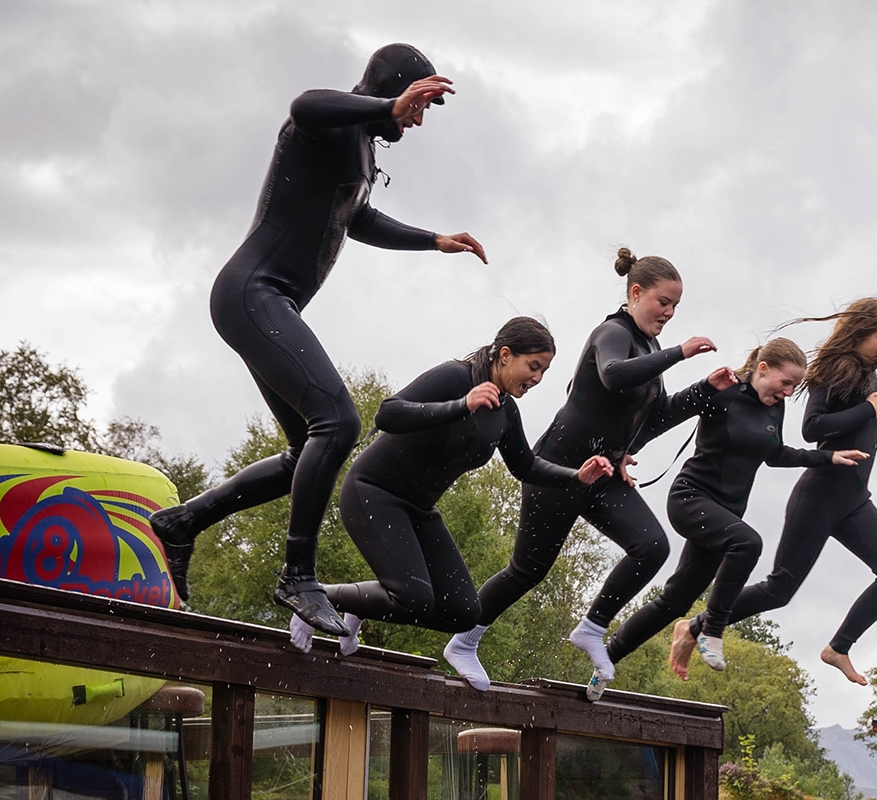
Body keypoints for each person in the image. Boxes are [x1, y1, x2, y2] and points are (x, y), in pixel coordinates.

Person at [148, 44, 487, 636]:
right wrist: (388, 104)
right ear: (394, 89)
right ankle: (297, 576)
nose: (417, 120)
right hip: (253, 293)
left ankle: (182, 523)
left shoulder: (361, 146)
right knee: (340, 422)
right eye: (418, 105)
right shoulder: (328, 123)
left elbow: (357, 219)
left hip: (269, 303)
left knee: (304, 449)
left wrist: (434, 240)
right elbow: (304, 104)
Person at [445, 248, 733, 695]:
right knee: (527, 570)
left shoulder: (651, 349)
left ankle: (593, 628)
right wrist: (680, 353)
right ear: (635, 293)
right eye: (663, 302)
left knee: (651, 547)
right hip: (557, 467)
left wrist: (702, 390)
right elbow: (614, 375)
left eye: (676, 306)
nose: (670, 313)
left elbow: (654, 417)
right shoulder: (612, 333)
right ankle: (464, 641)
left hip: (600, 474)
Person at [285, 317, 613, 657]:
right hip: (373, 492)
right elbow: (388, 414)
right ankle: (316, 596)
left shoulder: (505, 412)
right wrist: (462, 404)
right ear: (504, 355)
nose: (537, 378)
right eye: (533, 366)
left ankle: (362, 604)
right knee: (414, 597)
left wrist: (576, 476)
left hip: (420, 509)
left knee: (463, 611)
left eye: (543, 371)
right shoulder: (456, 377)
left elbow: (525, 466)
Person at [686, 297, 877, 685]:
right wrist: (868, 411)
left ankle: (838, 648)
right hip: (818, 498)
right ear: (861, 332)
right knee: (779, 590)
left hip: (854, 501)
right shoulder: (835, 370)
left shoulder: (867, 378)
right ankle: (694, 627)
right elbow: (812, 428)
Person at [603, 339, 869, 684]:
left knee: (675, 601)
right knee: (748, 543)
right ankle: (711, 630)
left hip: (725, 514)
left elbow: (775, 454)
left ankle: (606, 659)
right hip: (691, 498)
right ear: (763, 369)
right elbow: (666, 414)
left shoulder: (774, 407)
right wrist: (624, 451)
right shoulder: (724, 391)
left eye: (794, 386)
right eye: (785, 382)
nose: (788, 392)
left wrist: (828, 456)